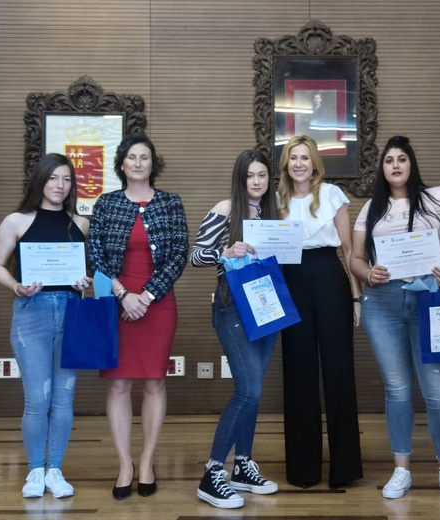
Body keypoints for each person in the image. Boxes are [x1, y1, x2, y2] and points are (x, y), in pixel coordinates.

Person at [349, 135, 440, 501]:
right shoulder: (371, 208)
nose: (396, 165)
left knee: (439, 392)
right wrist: (369, 274)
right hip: (383, 305)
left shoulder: (438, 197)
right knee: (397, 390)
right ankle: (401, 470)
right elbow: (354, 259)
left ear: (412, 163)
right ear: (382, 168)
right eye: (389, 160)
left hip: (430, 302)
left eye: (402, 158)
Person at [88, 133, 188, 500]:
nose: (138, 163)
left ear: (152, 163)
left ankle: (147, 461)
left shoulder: (170, 203)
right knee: (118, 383)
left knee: (154, 382)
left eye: (144, 157)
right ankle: (124, 464)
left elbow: (180, 253)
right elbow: (95, 251)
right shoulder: (107, 203)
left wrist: (145, 296)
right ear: (122, 163)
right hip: (117, 300)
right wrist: (123, 294)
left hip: (157, 302)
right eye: (132, 157)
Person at [0, 153, 91, 499]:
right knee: (37, 399)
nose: (60, 186)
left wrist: (83, 282)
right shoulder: (16, 221)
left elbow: (85, 271)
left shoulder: (80, 223)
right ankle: (35, 470)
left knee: (64, 398)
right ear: (40, 181)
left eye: (66, 180)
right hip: (31, 312)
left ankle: (55, 470)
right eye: (53, 179)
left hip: (70, 312)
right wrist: (16, 286)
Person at [191, 149, 280, 509]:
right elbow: (196, 255)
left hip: (269, 307)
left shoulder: (274, 213)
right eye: (250, 176)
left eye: (262, 175)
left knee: (254, 392)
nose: (256, 182)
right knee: (248, 389)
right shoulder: (226, 208)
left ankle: (243, 466)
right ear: (240, 179)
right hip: (232, 308)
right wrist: (224, 252)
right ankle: (213, 473)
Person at [277, 134, 364, 489]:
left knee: (338, 370)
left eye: (305, 158)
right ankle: (303, 470)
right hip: (290, 281)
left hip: (329, 279)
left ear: (315, 163)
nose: (299, 163)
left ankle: (344, 468)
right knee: (299, 373)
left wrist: (356, 298)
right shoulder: (275, 199)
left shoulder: (332, 195)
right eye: (293, 158)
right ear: (286, 164)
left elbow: (348, 250)